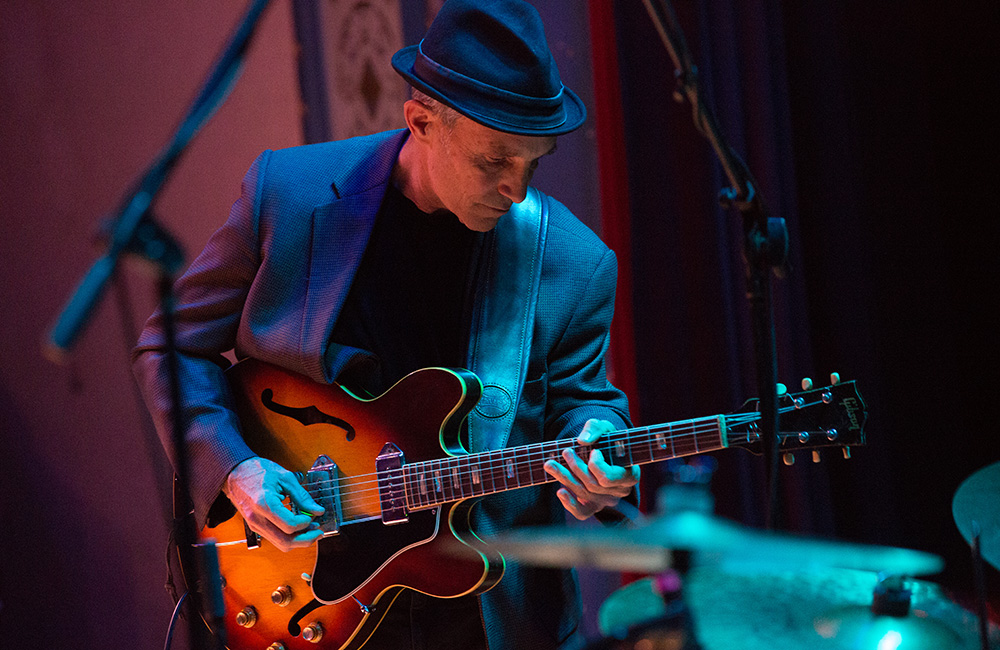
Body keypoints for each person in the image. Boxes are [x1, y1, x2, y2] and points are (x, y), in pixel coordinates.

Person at [133, 1, 638, 648]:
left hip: (483, 617)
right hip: (301, 585)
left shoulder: (573, 261)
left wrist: (600, 450)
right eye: (494, 161)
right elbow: (173, 347)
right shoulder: (288, 195)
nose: (516, 191)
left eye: (532, 163)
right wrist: (237, 471)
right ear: (421, 121)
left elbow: (585, 405)